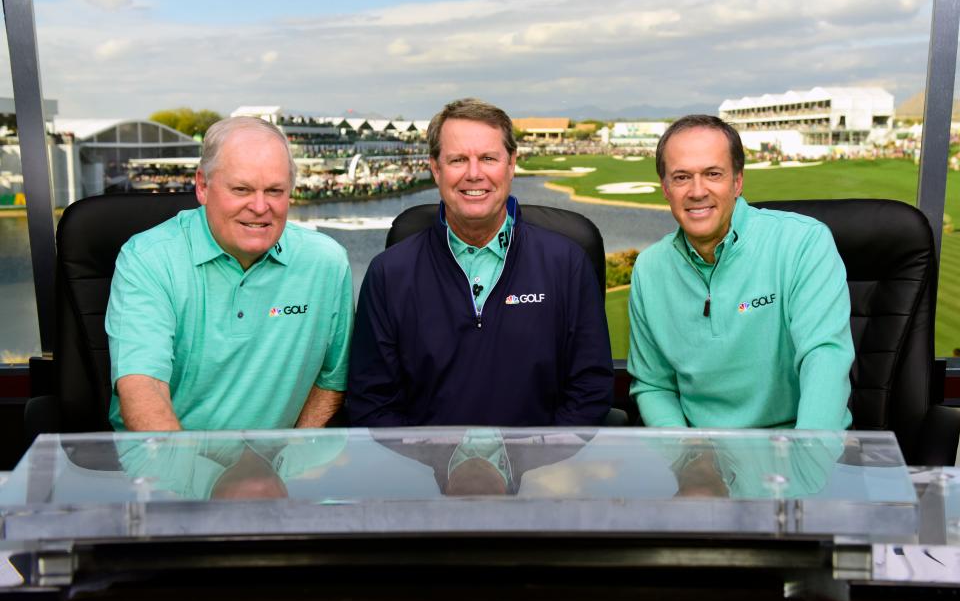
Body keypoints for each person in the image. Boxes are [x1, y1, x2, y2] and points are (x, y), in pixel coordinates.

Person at [348, 98, 613, 426]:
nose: (474, 174)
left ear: (511, 164)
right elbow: (371, 401)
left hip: (538, 470)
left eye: (488, 158)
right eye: (458, 159)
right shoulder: (388, 274)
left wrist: (538, 465)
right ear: (435, 169)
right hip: (427, 473)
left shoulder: (567, 263)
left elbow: (591, 388)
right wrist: (431, 467)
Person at [106, 116, 353, 431]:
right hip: (167, 469)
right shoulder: (148, 259)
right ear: (202, 186)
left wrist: (291, 460)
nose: (260, 206)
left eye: (275, 191)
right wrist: (195, 478)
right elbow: (143, 390)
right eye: (242, 189)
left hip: (273, 473)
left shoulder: (327, 263)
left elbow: (331, 381)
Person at [628, 115, 854, 430]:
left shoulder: (803, 241)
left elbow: (825, 358)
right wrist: (686, 456)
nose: (697, 191)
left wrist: (807, 460)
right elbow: (654, 385)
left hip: (799, 443)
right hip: (703, 457)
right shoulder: (650, 269)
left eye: (713, 174)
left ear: (737, 181)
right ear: (665, 188)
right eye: (681, 177)